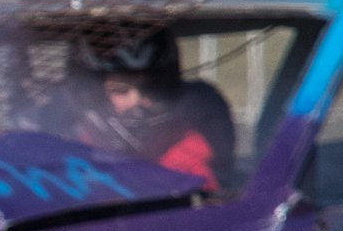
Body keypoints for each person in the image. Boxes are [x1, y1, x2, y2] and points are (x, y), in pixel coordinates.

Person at [40, 33, 236, 193]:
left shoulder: (187, 147)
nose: (138, 101)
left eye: (150, 89)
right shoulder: (68, 152)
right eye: (120, 91)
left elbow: (207, 201)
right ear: (94, 96)